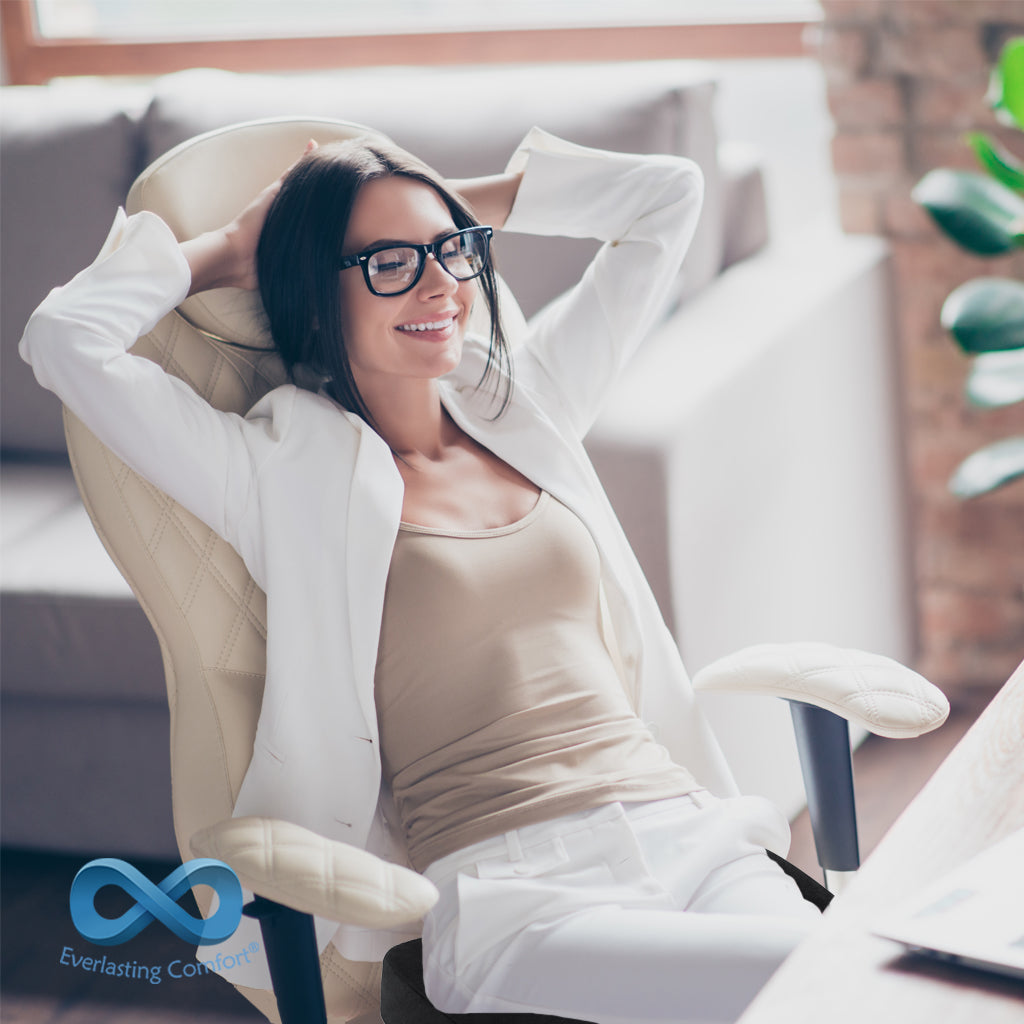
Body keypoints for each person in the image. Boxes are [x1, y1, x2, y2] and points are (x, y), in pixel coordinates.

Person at [20, 125, 821, 1024]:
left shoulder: (527, 405)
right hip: (518, 896)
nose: (440, 284)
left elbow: (667, 195)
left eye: (453, 257)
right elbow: (65, 339)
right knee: (817, 988)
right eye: (390, 264)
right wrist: (230, 251)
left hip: (690, 834)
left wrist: (437, 215)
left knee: (864, 984)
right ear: (315, 290)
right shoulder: (275, 473)